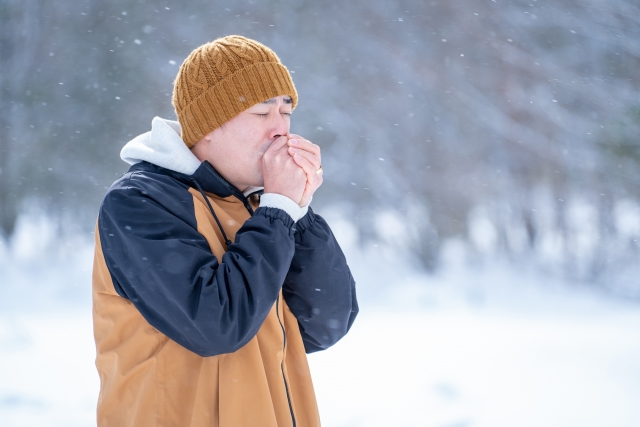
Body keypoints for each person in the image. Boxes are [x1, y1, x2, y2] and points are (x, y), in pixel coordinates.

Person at [92, 35, 358, 427]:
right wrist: (279, 211)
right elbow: (216, 326)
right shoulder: (140, 203)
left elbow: (324, 324)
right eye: (261, 113)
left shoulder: (262, 207)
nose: (280, 129)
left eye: (286, 111)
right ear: (208, 126)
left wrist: (296, 211)